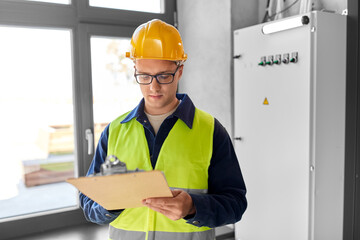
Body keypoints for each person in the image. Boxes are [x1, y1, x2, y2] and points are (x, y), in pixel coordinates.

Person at [80, 19, 247, 240]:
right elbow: (88, 202)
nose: (154, 86)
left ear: (179, 71)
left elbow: (235, 204)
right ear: (135, 71)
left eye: (164, 76)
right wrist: (108, 206)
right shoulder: (114, 131)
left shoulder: (210, 130)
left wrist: (192, 207)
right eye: (145, 76)